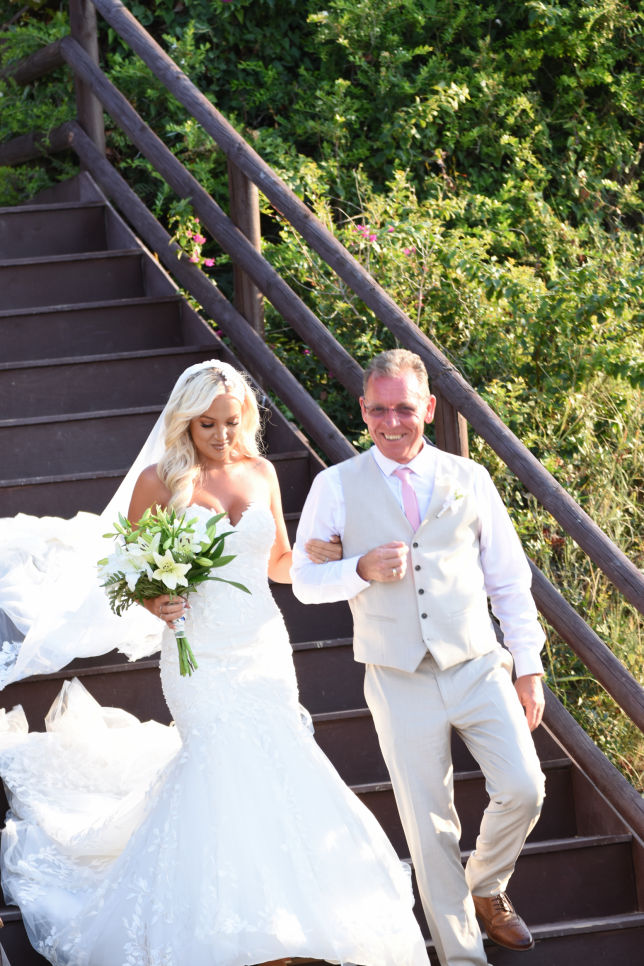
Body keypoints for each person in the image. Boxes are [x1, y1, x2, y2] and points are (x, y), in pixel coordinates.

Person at [0, 359, 429, 966]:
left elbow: (278, 563)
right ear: (186, 423)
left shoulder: (261, 473)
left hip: (262, 645)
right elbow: (121, 571)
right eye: (207, 424)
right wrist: (156, 598)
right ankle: (234, 927)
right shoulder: (159, 481)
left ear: (245, 418)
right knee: (219, 762)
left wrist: (326, 557)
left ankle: (291, 916)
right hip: (196, 654)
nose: (222, 435)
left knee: (280, 761)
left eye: (231, 421)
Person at [291, 348, 547, 966]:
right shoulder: (336, 487)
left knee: (526, 787)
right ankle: (462, 958)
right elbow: (303, 579)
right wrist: (357, 568)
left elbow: (508, 580)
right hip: (395, 671)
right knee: (429, 826)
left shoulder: (469, 479)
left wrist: (530, 665)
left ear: (428, 408)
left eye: (404, 408)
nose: (392, 422)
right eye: (378, 410)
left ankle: (485, 886)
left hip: (477, 662)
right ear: (362, 410)